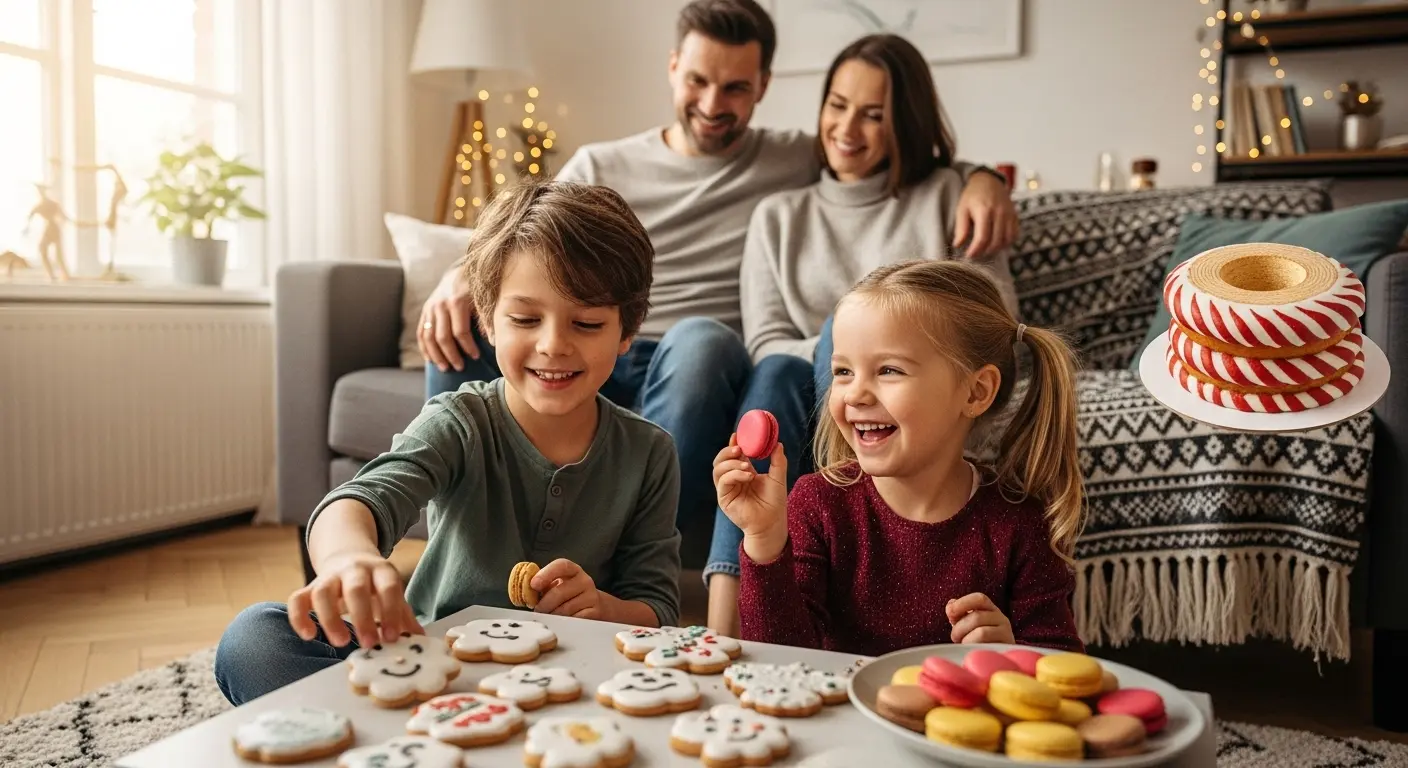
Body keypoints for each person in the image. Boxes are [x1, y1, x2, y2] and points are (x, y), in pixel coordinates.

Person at [414, 0, 1020, 581]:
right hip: (593, 335)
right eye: (698, 80)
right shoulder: (601, 165)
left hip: (689, 363)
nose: (711, 103)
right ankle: (460, 543)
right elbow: (523, 232)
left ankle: (624, 556)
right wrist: (458, 277)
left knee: (703, 339)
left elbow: (897, 155)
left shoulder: (793, 158)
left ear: (762, 87)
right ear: (673, 66)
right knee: (456, 327)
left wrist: (983, 178)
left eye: (734, 88)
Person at [214, 182, 683, 705]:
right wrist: (348, 557)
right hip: (432, 670)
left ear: (626, 331)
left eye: (588, 323)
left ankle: (377, 733)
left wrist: (605, 608)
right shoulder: (459, 422)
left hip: (574, 685)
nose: (553, 344)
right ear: (487, 320)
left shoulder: (650, 452)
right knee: (254, 638)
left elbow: (658, 608)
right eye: (525, 319)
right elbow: (362, 499)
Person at [704, 34, 1022, 635]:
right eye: (837, 105)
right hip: (803, 392)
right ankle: (722, 620)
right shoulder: (779, 215)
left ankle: (863, 509)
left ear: (906, 122)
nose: (847, 128)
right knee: (777, 368)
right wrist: (847, 353)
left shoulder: (949, 196)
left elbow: (994, 325)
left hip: (904, 400)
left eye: (873, 114)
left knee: (839, 333)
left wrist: (983, 178)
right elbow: (767, 340)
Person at [713, 259, 1084, 657]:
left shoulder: (1019, 523)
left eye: (889, 370)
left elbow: (1063, 666)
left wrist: (1010, 652)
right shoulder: (817, 504)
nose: (856, 395)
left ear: (976, 392)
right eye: (843, 372)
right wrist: (764, 540)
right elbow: (780, 662)